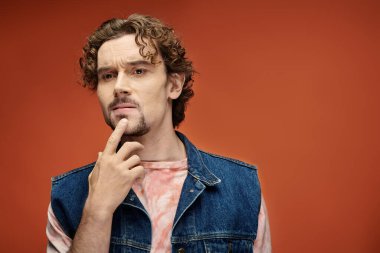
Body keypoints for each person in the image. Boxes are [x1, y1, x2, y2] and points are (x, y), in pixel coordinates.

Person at [46, 14, 271, 253]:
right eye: (108, 75)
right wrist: (96, 212)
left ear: (174, 85)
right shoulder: (67, 196)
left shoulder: (241, 188)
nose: (119, 86)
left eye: (138, 71)